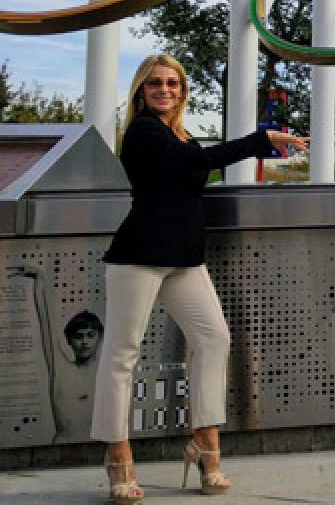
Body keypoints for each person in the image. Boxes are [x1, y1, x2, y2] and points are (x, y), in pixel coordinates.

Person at [91, 54, 308, 503]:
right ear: (140, 90)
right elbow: (197, 163)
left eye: (173, 83)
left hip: (185, 259)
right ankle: (118, 456)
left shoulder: (178, 132)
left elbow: (193, 165)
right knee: (121, 355)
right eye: (155, 83)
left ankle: (205, 443)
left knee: (213, 340)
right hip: (139, 256)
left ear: (182, 90)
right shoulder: (143, 132)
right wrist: (260, 138)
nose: (165, 90)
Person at [54, 311, 103, 441]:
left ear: (100, 338)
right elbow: (49, 335)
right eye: (78, 336)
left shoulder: (106, 371)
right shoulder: (62, 371)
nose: (84, 342)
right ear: (69, 340)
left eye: (90, 335)